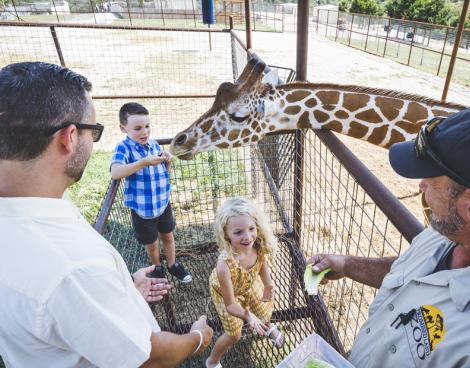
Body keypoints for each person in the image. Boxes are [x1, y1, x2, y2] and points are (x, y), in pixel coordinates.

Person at [0, 62, 213, 367]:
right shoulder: (74, 271)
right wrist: (198, 338)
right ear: (69, 137)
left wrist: (123, 288)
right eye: (93, 131)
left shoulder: (35, 209)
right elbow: (147, 358)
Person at [309, 104, 470, 367]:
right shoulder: (459, 229)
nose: (421, 185)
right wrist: (347, 265)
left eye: (432, 181)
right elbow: (412, 275)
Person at [111, 102, 193, 284]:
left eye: (147, 126)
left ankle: (172, 265)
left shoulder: (154, 145)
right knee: (152, 243)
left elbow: (163, 173)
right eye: (138, 128)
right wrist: (143, 162)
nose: (144, 132)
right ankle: (157, 268)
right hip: (143, 208)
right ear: (123, 128)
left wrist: (167, 162)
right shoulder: (124, 148)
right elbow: (115, 172)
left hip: (162, 203)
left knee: (169, 236)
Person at [206, 197, 285, 368]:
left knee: (264, 310)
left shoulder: (257, 245)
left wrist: (268, 284)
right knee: (234, 335)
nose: (247, 236)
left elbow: (262, 263)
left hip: (248, 284)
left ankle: (268, 327)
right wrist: (249, 316)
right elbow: (230, 305)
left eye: (251, 228)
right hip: (228, 295)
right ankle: (212, 361)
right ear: (226, 234)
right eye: (238, 232)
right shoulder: (224, 265)